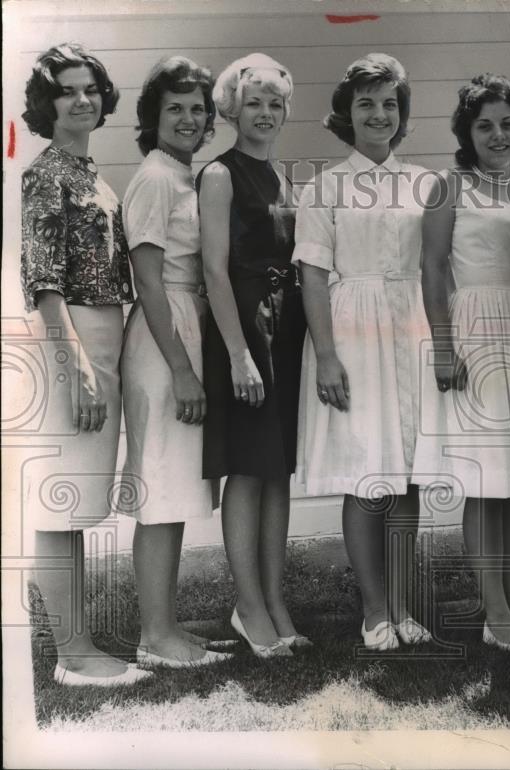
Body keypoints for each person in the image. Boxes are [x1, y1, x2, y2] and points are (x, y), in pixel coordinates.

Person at [413, 74, 510, 655]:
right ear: (467, 133)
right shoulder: (448, 187)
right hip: (476, 333)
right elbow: (431, 271)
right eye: (484, 125)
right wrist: (444, 345)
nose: (498, 134)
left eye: (507, 123)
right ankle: (496, 617)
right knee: (485, 481)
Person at [294, 53, 436, 650]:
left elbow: (436, 265)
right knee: (367, 474)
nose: (379, 115)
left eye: (388, 105)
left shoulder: (425, 183)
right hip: (353, 334)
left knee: (407, 477)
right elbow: (312, 275)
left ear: (401, 115)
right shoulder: (325, 186)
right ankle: (374, 610)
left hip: (412, 329)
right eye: (366, 104)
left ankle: (404, 606)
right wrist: (326, 355)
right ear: (347, 114)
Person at [20, 43, 151, 686]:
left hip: (103, 333)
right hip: (69, 338)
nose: (82, 100)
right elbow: (43, 284)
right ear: (48, 105)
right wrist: (78, 370)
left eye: (91, 89)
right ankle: (73, 654)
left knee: (79, 502)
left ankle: (81, 642)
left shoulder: (90, 173)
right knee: (60, 501)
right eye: (68, 91)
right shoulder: (46, 173)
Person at [120, 55, 232, 668]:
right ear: (153, 117)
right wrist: (184, 368)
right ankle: (155, 637)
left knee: (175, 488)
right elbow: (148, 280)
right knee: (161, 489)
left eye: (198, 109)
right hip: (165, 341)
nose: (189, 119)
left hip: (187, 328)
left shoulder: (184, 175)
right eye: (175, 109)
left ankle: (165, 627)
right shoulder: (157, 178)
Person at [198, 54, 308, 658]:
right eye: (255, 101)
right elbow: (214, 270)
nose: (265, 113)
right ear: (232, 107)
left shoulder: (280, 175)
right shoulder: (220, 175)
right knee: (247, 468)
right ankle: (247, 605)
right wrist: (239, 354)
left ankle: (275, 601)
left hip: (283, 328)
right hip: (243, 329)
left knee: (277, 469)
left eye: (275, 103)